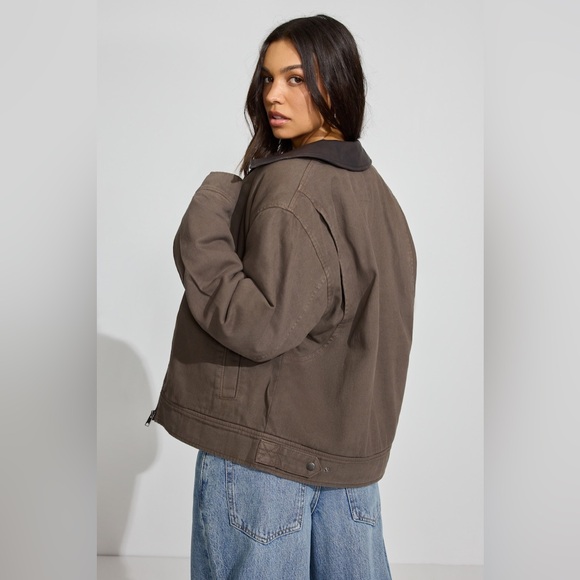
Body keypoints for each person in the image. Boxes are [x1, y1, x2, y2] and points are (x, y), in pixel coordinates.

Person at [147, 14, 416, 579]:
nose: (273, 95)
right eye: (268, 78)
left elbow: (260, 325)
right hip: (348, 470)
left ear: (337, 82)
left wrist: (208, 209)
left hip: (263, 464)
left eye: (296, 79)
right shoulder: (379, 196)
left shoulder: (291, 187)